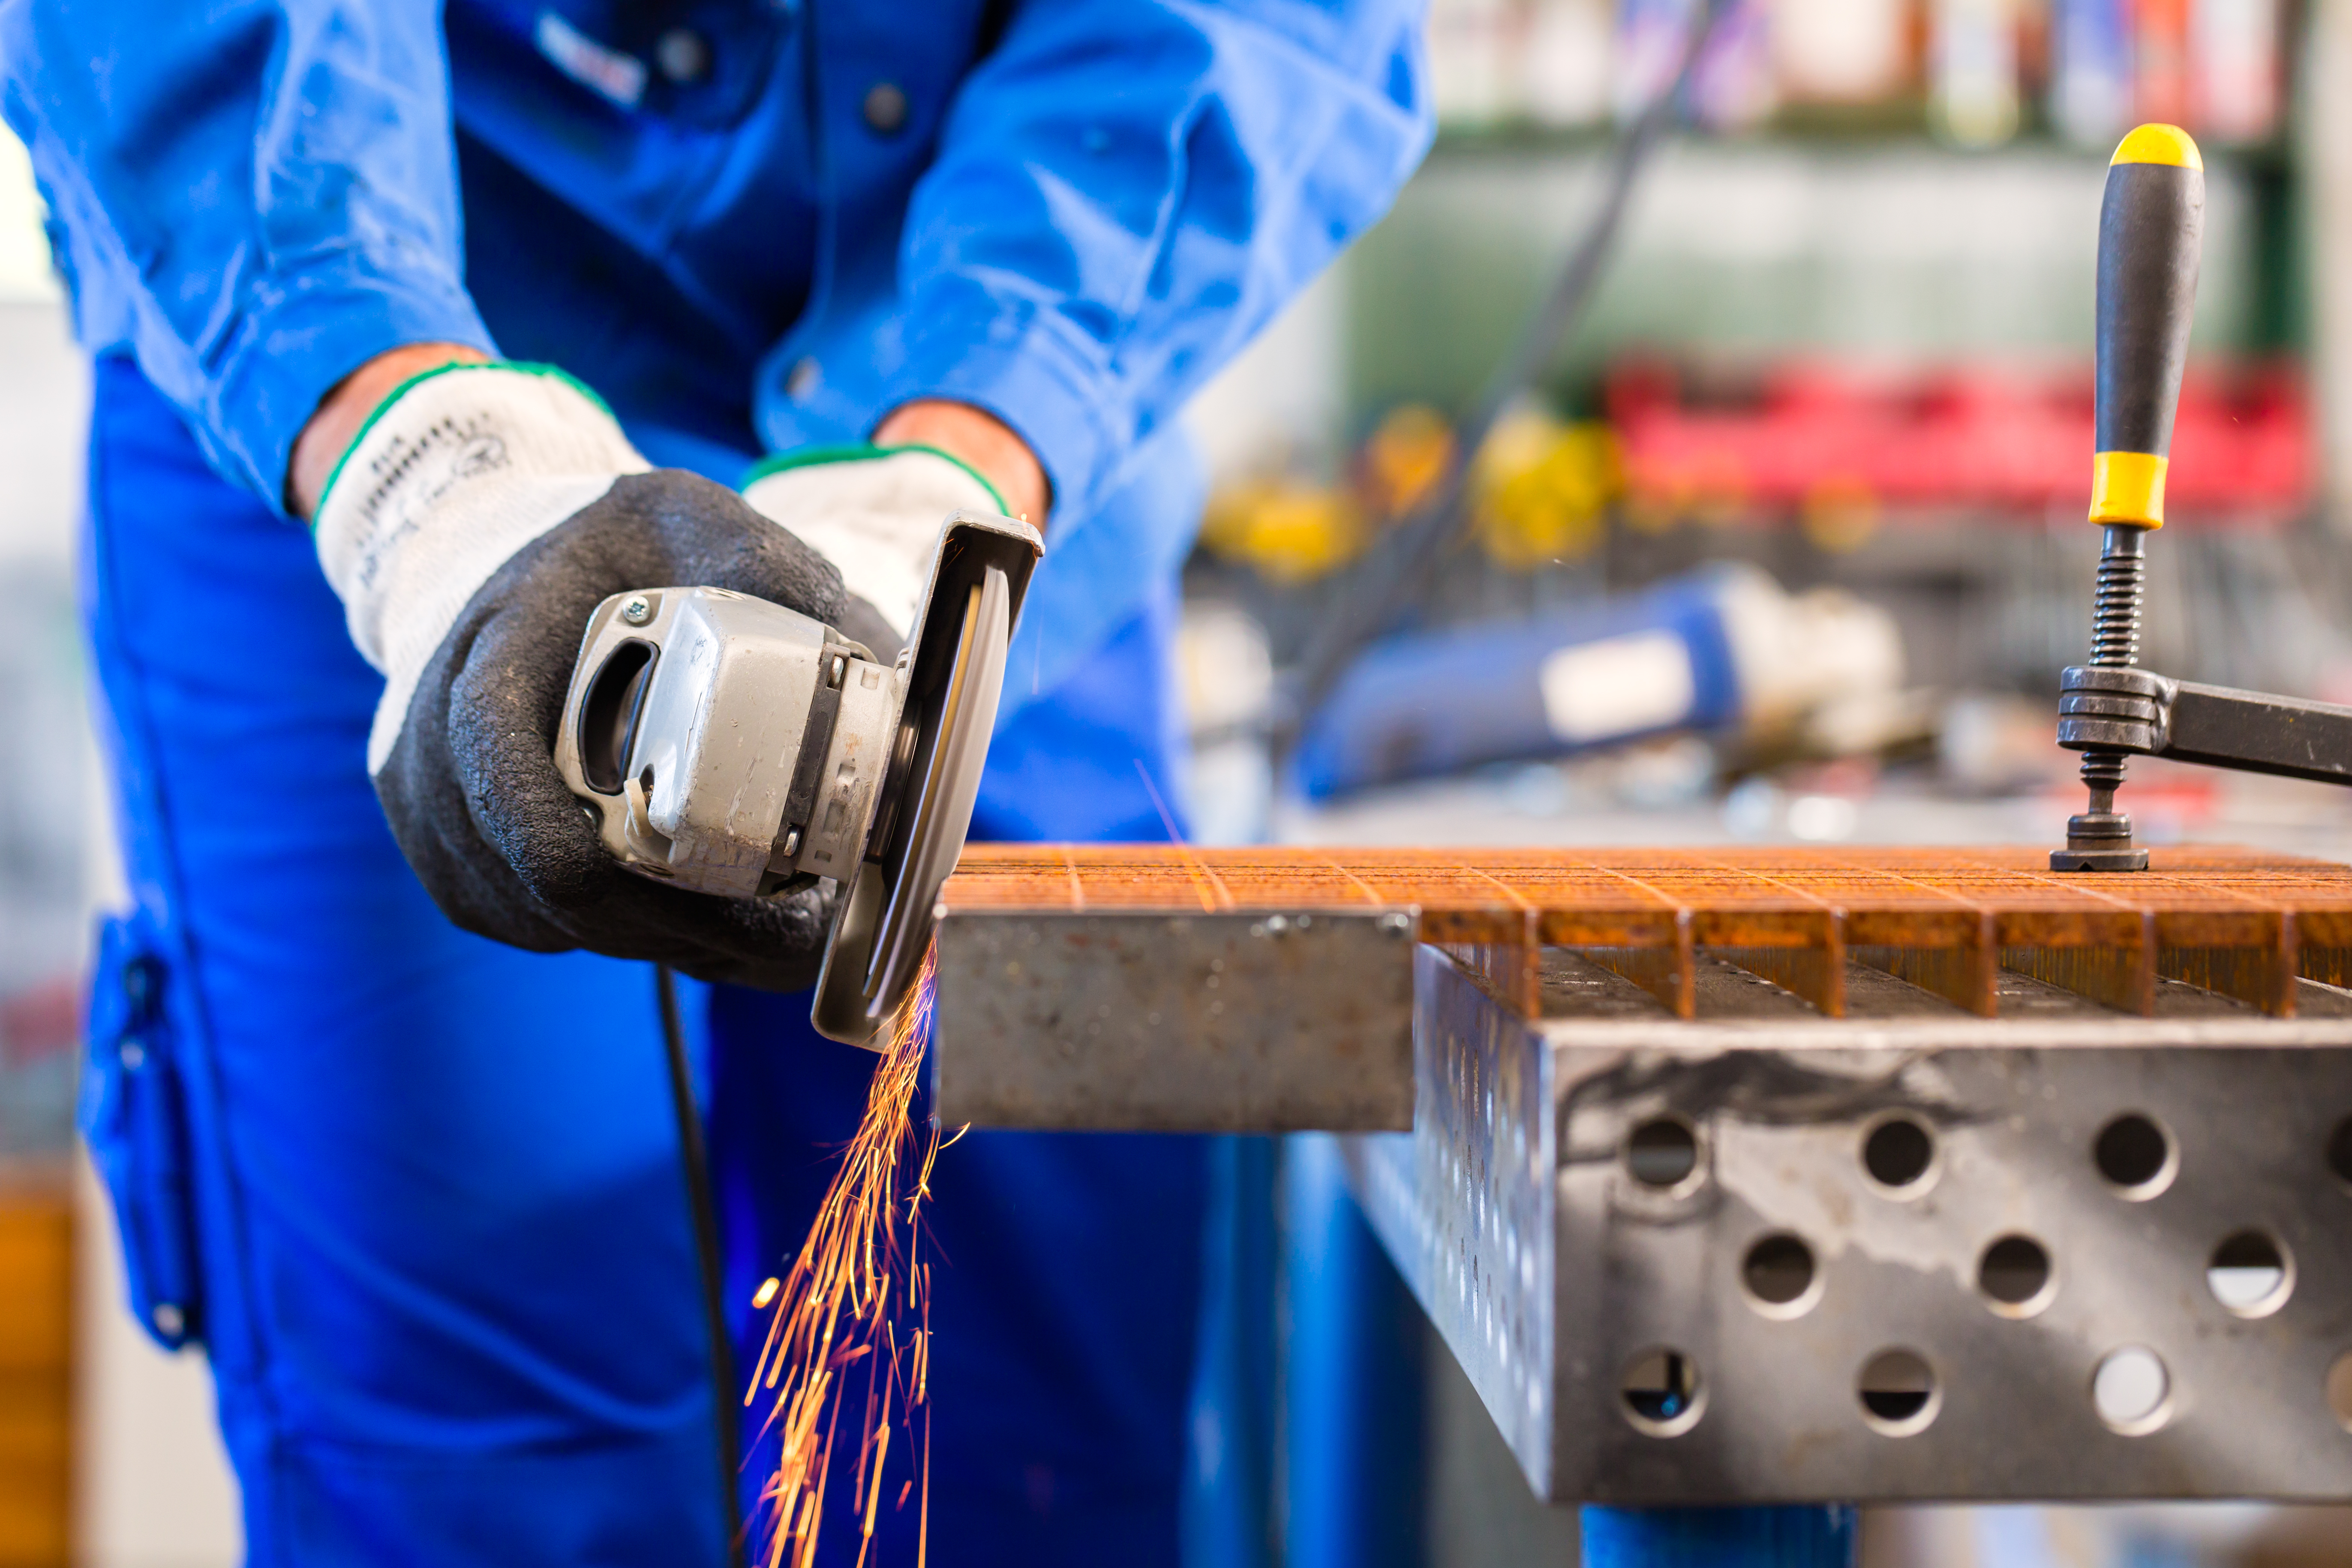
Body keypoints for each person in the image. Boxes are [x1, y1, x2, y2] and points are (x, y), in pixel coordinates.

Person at [4, 3, 1431, 1563]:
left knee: (1000, 1452)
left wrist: (970, 441)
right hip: (351, 338)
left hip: (990, 404)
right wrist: (410, 452)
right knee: (487, 1470)